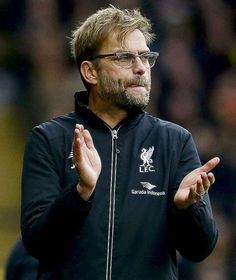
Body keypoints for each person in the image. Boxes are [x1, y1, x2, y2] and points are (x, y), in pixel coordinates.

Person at [21, 5, 220, 280]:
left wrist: (188, 209)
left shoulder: (175, 141)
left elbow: (200, 249)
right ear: (90, 72)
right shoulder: (49, 139)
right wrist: (80, 193)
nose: (140, 69)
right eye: (124, 57)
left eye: (146, 57)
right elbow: (37, 244)